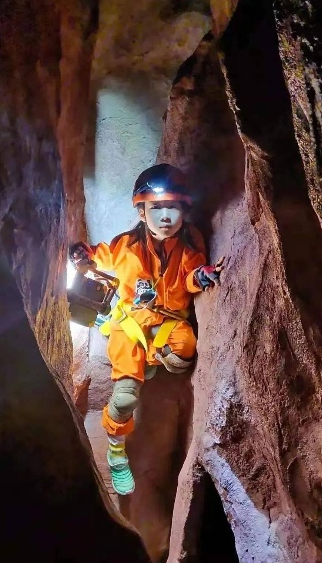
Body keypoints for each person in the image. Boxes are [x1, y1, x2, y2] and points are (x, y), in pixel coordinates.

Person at [70, 164, 223, 495]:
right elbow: (99, 258)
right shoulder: (126, 246)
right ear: (141, 211)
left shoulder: (188, 246)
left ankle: (150, 361)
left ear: (184, 209)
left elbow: (190, 275)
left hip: (168, 323)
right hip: (130, 326)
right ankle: (116, 450)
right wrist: (82, 257)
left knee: (183, 350)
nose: (165, 216)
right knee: (124, 398)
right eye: (157, 208)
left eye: (173, 207)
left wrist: (199, 277)